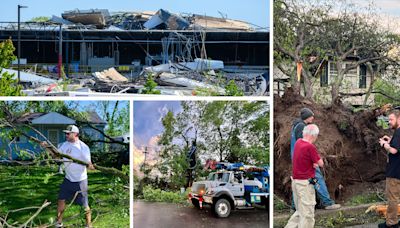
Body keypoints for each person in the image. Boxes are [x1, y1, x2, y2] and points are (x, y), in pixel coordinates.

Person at [290, 107, 340, 210]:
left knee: (299, 181)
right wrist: (313, 160)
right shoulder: (301, 127)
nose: (313, 117)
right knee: (317, 178)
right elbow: (304, 146)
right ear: (307, 117)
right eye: (311, 116)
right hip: (304, 160)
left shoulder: (296, 125)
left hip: (296, 159)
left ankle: (295, 207)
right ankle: (327, 203)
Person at [54, 125, 94, 228]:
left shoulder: (83, 147)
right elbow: (56, 156)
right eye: (66, 133)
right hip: (68, 179)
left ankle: (88, 225)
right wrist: (47, 148)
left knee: (84, 204)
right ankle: (58, 223)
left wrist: (90, 165)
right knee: (61, 200)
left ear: (75, 134)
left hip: (80, 181)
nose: (66, 135)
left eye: (68, 133)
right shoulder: (64, 145)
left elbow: (88, 162)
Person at [285, 124, 323, 228]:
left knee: (300, 212)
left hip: (296, 183)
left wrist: (311, 163)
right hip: (305, 185)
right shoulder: (310, 147)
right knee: (307, 214)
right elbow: (321, 163)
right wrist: (314, 163)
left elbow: (303, 159)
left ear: (304, 133)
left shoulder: (298, 143)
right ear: (314, 135)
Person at [378, 110, 400, 228]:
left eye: (391, 119)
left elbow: (394, 150)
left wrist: (384, 144)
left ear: (399, 119)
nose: (389, 122)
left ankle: (392, 223)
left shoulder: (398, 132)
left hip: (395, 172)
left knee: (392, 198)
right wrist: (390, 141)